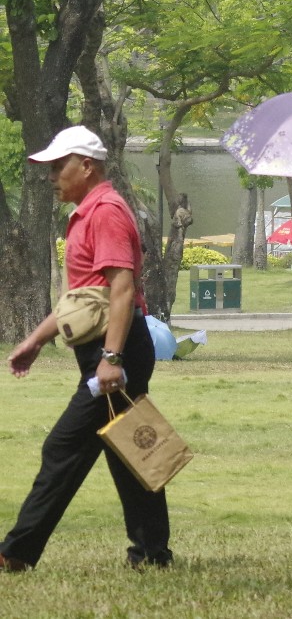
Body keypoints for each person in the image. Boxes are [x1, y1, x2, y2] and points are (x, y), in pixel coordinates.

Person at [1, 127, 172, 572]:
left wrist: (111, 359)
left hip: (116, 350)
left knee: (63, 447)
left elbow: (121, 289)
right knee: (129, 450)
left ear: (87, 166)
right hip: (108, 348)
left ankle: (15, 553)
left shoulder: (106, 211)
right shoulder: (85, 213)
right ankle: (152, 553)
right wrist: (36, 340)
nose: (53, 176)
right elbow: (83, 298)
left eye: (60, 167)